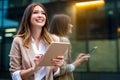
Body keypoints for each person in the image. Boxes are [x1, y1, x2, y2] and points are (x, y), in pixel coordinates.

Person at [9, 3, 64, 80]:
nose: (40, 15)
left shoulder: (54, 40)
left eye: (43, 13)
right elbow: (14, 75)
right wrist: (34, 69)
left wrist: (56, 67)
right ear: (28, 17)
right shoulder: (18, 41)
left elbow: (55, 74)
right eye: (35, 12)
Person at [49, 14, 90, 80]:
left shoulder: (49, 38)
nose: (72, 25)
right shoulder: (63, 40)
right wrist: (78, 62)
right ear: (62, 25)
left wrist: (77, 60)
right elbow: (61, 70)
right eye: (69, 23)